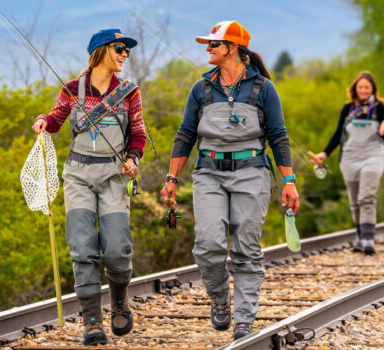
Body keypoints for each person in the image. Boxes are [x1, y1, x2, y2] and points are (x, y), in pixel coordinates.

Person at [160, 20, 299, 340]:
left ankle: (244, 321)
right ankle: (220, 300)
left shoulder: (264, 88)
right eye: (207, 44)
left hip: (252, 174)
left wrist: (289, 182)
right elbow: (185, 135)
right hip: (208, 174)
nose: (207, 49)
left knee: (246, 249)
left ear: (233, 48)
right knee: (208, 246)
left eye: (213, 44)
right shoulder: (201, 88)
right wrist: (172, 179)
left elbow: (278, 136)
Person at [32, 29, 146, 345]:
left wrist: (133, 158)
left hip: (113, 178)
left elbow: (138, 135)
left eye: (127, 51)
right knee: (82, 249)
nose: (125, 55)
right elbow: (55, 120)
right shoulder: (71, 90)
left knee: (117, 250)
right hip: (78, 177)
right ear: (100, 51)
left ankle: (120, 302)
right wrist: (43, 121)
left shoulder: (129, 93)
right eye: (119, 49)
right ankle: (92, 322)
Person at [310, 71, 384, 255]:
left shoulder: (381, 109)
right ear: (355, 88)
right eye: (360, 87)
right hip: (350, 158)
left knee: (367, 197)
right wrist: (324, 153)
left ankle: (369, 239)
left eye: (367, 87)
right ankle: (360, 237)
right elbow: (338, 133)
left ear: (373, 89)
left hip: (373, 156)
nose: (363, 90)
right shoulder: (348, 108)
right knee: (355, 201)